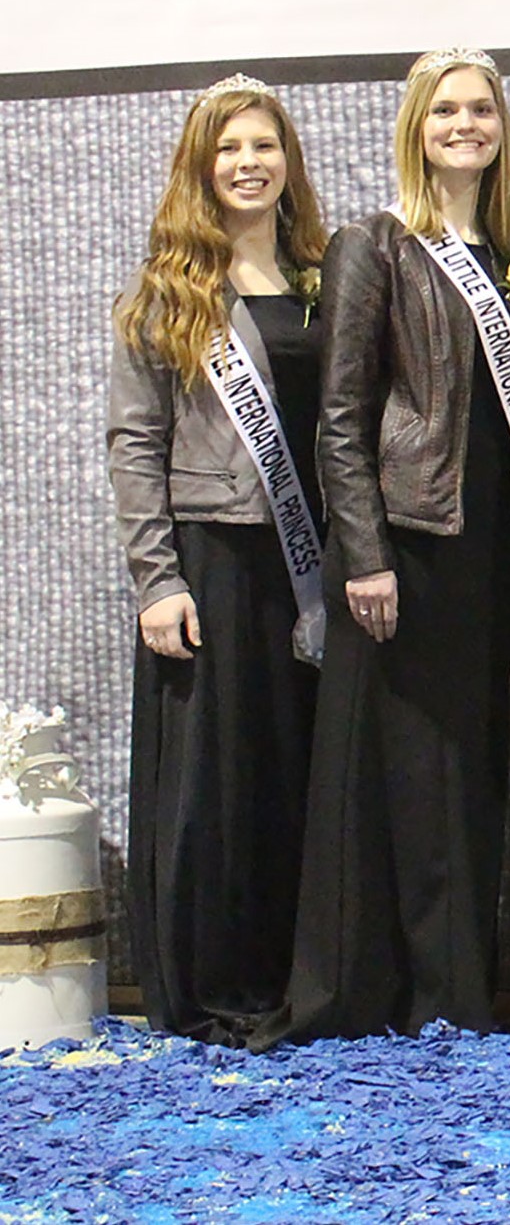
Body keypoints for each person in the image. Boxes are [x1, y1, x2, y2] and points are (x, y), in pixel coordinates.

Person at [262, 48, 510, 1044]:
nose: (465, 124)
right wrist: (364, 553)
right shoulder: (373, 244)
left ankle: (454, 991)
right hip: (403, 547)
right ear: (415, 127)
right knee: (388, 773)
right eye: (445, 110)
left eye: (481, 109)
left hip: (483, 549)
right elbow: (339, 418)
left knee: (463, 770)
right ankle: (365, 989)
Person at [107, 75, 331, 1045]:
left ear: (288, 162)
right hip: (210, 560)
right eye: (229, 148)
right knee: (214, 783)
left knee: (293, 775)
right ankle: (213, 988)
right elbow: (133, 440)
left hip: (308, 567)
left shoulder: (326, 279)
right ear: (202, 167)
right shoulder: (168, 291)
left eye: (264, 145)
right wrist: (157, 578)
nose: (248, 163)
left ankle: (293, 978)